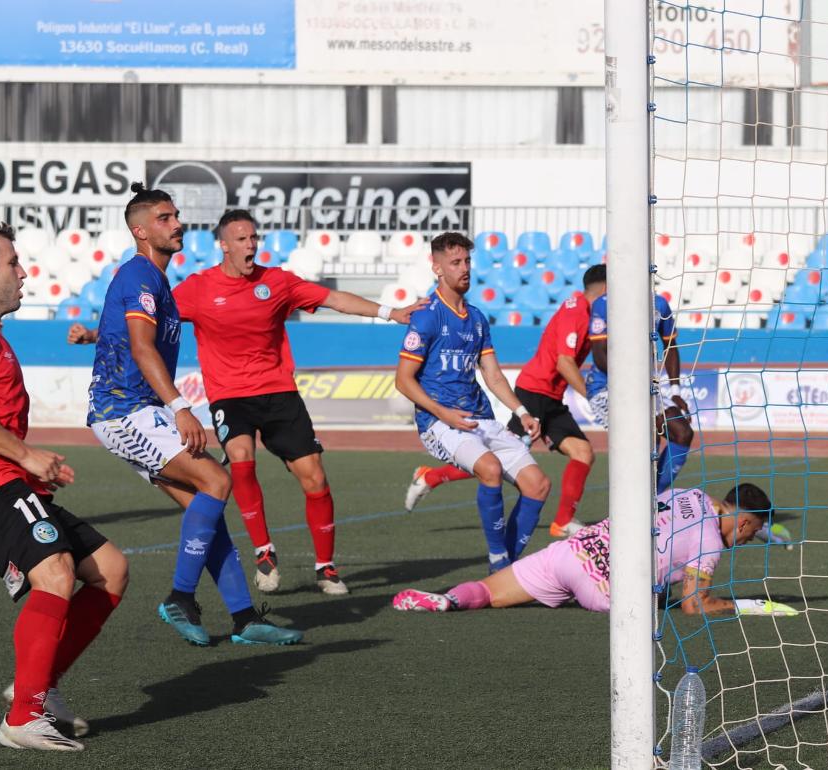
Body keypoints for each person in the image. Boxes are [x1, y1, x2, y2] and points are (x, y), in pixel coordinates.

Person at [87, 184, 301, 647]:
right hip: (123, 411)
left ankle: (244, 618)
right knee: (218, 482)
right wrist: (181, 408)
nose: (178, 224)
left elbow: (124, 335)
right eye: (165, 218)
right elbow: (142, 348)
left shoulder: (157, 281)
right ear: (140, 231)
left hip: (140, 411)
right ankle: (180, 598)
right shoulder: (139, 275)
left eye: (176, 215)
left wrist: (93, 335)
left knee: (207, 507)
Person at [171, 210, 421, 595]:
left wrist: (390, 312)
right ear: (223, 245)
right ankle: (264, 552)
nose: (250, 245)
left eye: (253, 238)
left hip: (278, 392)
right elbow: (151, 318)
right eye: (241, 239)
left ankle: (326, 567)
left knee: (315, 477)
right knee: (240, 456)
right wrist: (95, 335)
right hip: (229, 395)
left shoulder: (277, 281)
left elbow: (334, 298)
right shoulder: (198, 288)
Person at [0, 223, 128, 751]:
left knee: (110, 570)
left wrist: (32, 463)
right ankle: (23, 718)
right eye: (11, 263)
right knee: (55, 573)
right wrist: (26, 455)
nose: (23, 273)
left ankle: (39, 687)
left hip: (13, 479)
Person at [404, 265, 607, 540]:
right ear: (605, 289)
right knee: (496, 460)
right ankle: (431, 477)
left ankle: (562, 521)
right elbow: (564, 363)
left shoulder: (587, 311)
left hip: (551, 397)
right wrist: (591, 395)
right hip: (534, 392)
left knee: (583, 452)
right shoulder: (577, 312)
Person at [391, 483, 797, 617]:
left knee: (488, 591)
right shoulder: (710, 543)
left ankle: (446, 600)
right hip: (602, 585)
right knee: (647, 602)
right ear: (744, 522)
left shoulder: (686, 492)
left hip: (576, 549)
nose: (748, 540)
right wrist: (749, 606)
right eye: (753, 532)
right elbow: (694, 604)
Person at [396, 232, 551, 572]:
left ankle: (505, 568)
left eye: (467, 261)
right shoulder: (427, 315)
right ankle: (499, 561)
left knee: (538, 485)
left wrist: (521, 411)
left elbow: (493, 375)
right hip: (440, 422)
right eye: (455, 262)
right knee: (490, 469)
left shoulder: (477, 318)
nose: (464, 268)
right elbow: (403, 380)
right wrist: (444, 415)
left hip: (481, 418)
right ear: (437, 268)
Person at [587, 291, 695, 493]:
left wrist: (675, 390)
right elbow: (600, 355)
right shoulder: (605, 303)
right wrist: (633, 384)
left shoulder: (659, 304)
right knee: (647, 437)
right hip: (606, 387)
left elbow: (670, 345)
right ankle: (633, 498)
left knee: (683, 432)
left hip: (643, 387)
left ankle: (654, 496)